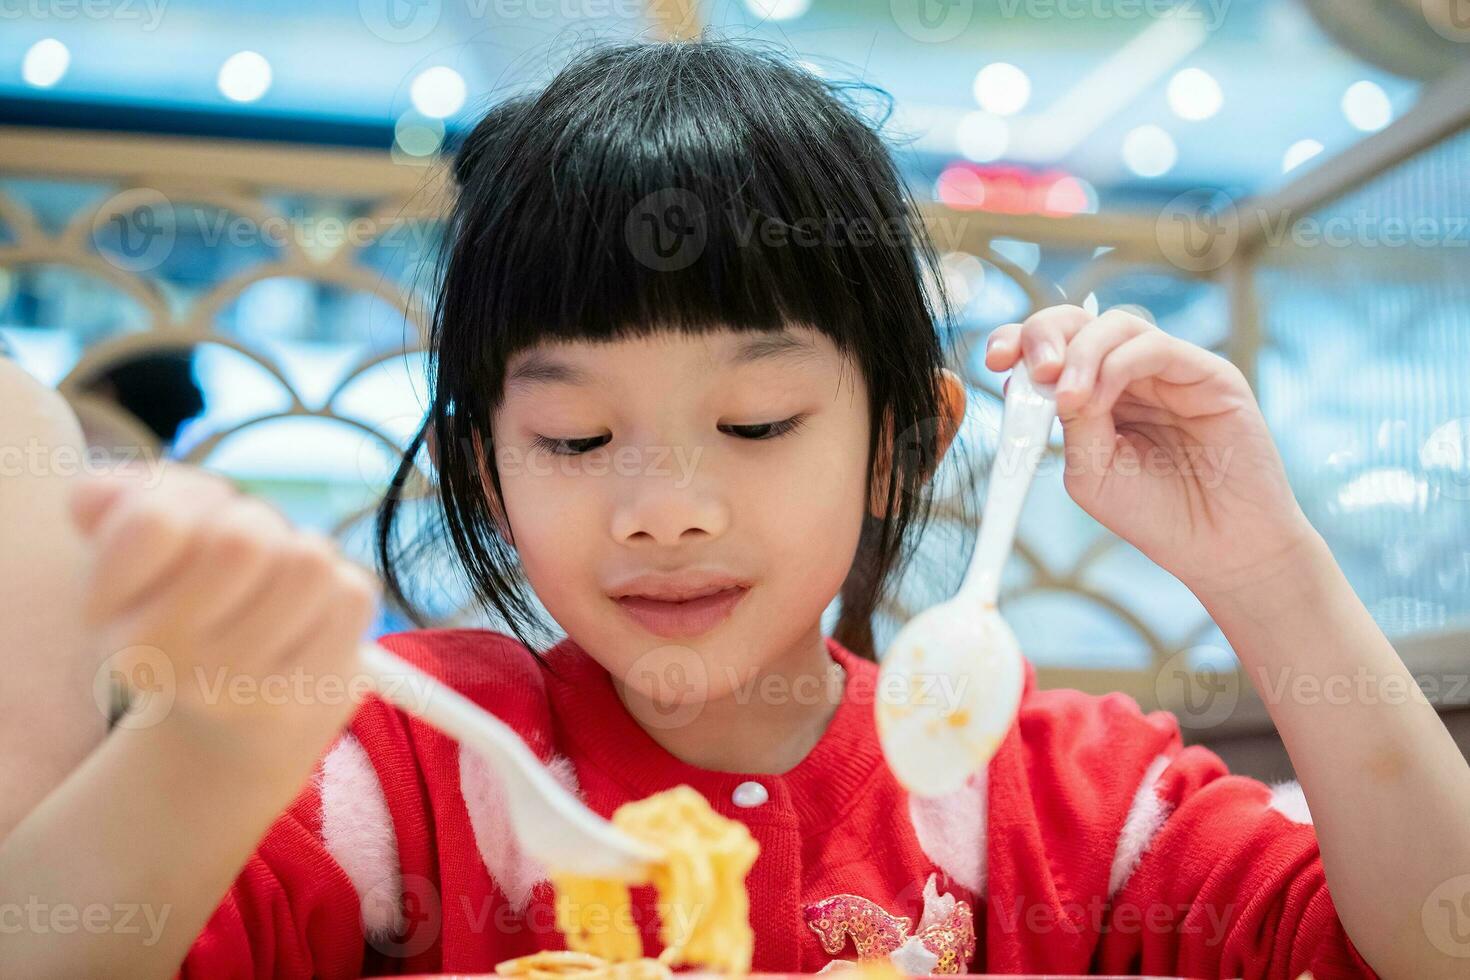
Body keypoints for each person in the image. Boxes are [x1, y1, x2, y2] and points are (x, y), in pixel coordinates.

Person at [2, 38, 1464, 979]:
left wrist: (1266, 566)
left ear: (902, 444)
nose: (662, 509)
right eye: (575, 436)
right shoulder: (419, 766)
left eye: (755, 422)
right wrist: (213, 741)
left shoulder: (1064, 797)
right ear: (486, 468)